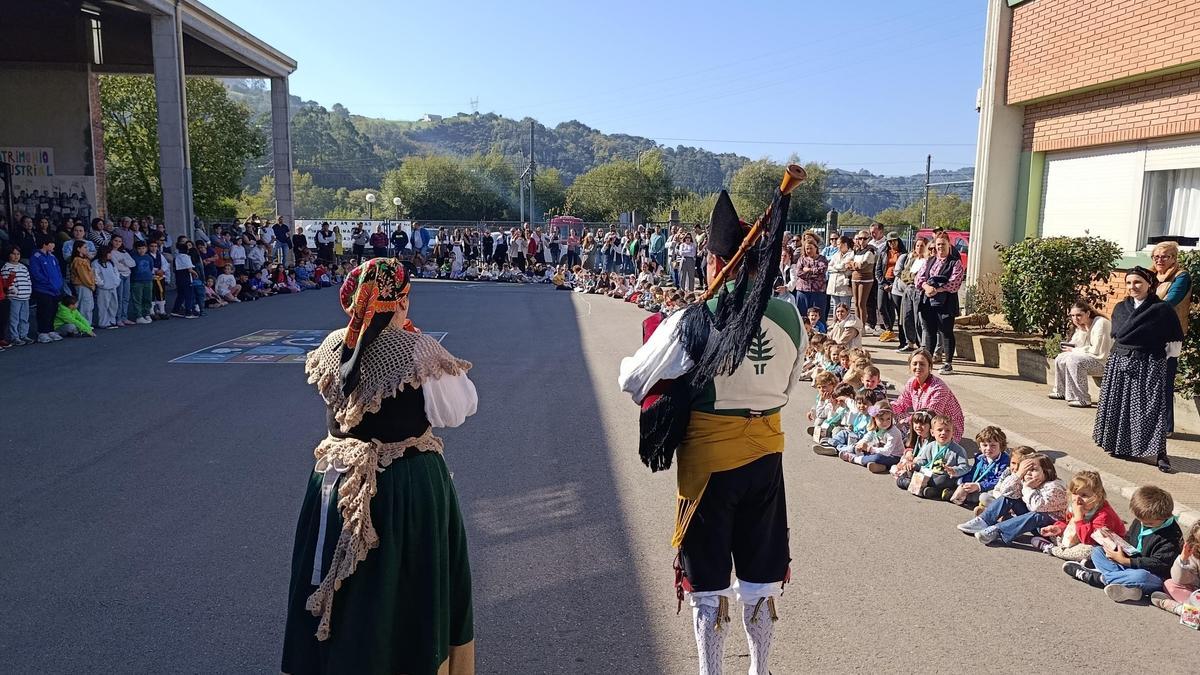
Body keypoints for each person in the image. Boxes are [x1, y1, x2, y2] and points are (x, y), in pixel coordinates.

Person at [618, 189, 806, 675]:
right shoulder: (790, 315)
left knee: (708, 585)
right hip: (767, 458)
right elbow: (787, 386)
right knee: (760, 578)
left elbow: (634, 381)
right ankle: (759, 670)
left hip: (708, 467)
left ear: (716, 261)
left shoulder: (692, 319)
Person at [281, 258, 478, 674]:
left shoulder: (335, 344)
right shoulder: (418, 349)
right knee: (400, 586)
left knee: (342, 583)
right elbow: (458, 409)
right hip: (403, 484)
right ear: (400, 300)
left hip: (336, 480)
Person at [1093, 267, 1184, 473]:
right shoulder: (1120, 308)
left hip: (1149, 362)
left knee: (1152, 409)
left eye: (1137, 283)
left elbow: (1173, 345)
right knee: (1119, 405)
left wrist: (1156, 360)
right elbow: (1116, 336)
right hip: (1120, 360)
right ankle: (1119, 445)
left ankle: (1160, 453)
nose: (1132, 287)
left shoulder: (1162, 310)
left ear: (1149, 284)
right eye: (1129, 283)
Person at [1063, 485, 1181, 604]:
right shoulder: (1141, 521)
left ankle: (1097, 577)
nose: (1143, 524)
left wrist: (1125, 561)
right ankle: (1130, 589)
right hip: (1128, 565)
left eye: (1149, 523)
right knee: (1097, 551)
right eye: (1141, 520)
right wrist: (1113, 540)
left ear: (1165, 516)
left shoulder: (1172, 536)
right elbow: (1129, 540)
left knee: (1141, 577)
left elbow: (1159, 564)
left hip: (1152, 575)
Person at [959, 453, 1067, 545]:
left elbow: (1037, 506)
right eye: (1026, 470)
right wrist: (1018, 475)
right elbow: (1005, 492)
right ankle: (983, 521)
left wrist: (1027, 488)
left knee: (1038, 515)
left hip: (1048, 529)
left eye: (1034, 470)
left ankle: (998, 531)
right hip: (1030, 520)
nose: (1028, 473)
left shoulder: (1055, 487)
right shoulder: (1028, 480)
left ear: (1046, 471)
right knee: (1010, 497)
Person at [1039, 470, 1125, 562]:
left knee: (1088, 551)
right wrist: (1058, 528)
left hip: (1102, 545)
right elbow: (1069, 524)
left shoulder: (1103, 515)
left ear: (1097, 497)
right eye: (1075, 493)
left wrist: (1079, 518)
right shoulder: (1076, 506)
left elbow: (1088, 540)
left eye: (1084, 495)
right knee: (1052, 533)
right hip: (1079, 537)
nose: (1077, 499)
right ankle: (1067, 551)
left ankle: (1052, 549)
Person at [1150, 241, 1191, 434]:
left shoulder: (1181, 277)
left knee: (1165, 378)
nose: (1159, 260)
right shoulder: (1150, 275)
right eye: (1156, 256)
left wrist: (1144, 308)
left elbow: (1170, 301)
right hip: (1147, 332)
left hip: (1170, 335)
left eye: (1164, 256)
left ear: (1174, 258)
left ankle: (1166, 427)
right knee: (1148, 377)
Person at [914, 232, 964, 374]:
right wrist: (926, 287)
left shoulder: (955, 262)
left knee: (946, 332)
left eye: (943, 244)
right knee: (929, 332)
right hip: (928, 302)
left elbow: (955, 282)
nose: (940, 247)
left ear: (949, 245)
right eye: (938, 244)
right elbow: (919, 278)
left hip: (946, 302)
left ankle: (948, 362)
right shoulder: (930, 261)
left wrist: (938, 289)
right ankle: (928, 362)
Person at [890, 349, 964, 441]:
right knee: (892, 416)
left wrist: (904, 422)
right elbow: (902, 403)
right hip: (922, 421)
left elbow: (930, 416)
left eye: (922, 364)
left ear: (930, 366)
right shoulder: (911, 382)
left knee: (899, 433)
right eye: (914, 364)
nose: (918, 367)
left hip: (942, 427)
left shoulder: (939, 388)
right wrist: (886, 409)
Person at [1048, 302, 1112, 408]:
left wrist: (1074, 351)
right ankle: (1061, 391)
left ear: (1088, 313)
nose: (1075, 318)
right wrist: (1082, 330)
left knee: (1074, 360)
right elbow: (1075, 346)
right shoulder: (1083, 325)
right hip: (1092, 359)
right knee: (1061, 358)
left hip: (1105, 363)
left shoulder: (1101, 323)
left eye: (1079, 315)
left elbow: (1098, 351)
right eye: (1072, 316)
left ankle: (1082, 398)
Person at [950, 426, 1010, 509]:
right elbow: (973, 473)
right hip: (978, 484)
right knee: (960, 481)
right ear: (979, 447)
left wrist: (979, 486)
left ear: (1001, 446)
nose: (988, 448)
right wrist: (965, 484)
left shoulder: (1005, 461)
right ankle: (962, 496)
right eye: (985, 445)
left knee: (985, 496)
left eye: (993, 445)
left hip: (991, 487)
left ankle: (984, 506)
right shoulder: (980, 457)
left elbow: (998, 480)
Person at [1149, 521, 1200, 617]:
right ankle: (1184, 610)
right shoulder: (1194, 555)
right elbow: (1180, 580)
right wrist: (1183, 559)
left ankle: (1177, 608)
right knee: (1170, 584)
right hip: (1195, 596)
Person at [840, 404, 905, 473]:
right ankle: (881, 467)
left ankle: (854, 458)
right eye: (881, 419)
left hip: (894, 456)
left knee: (877, 457)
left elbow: (887, 451)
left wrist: (869, 448)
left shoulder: (893, 432)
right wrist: (860, 444)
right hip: (880, 451)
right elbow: (868, 436)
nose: (885, 422)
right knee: (861, 449)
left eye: (888, 419)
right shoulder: (876, 428)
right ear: (874, 419)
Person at [895, 236, 928, 353]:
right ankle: (910, 342)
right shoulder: (913, 260)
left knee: (918, 319)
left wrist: (912, 277)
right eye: (917, 246)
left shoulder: (926, 261)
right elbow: (904, 274)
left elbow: (918, 277)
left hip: (918, 291)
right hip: (907, 290)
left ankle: (921, 345)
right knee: (906, 317)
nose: (919, 248)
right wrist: (911, 277)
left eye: (922, 246)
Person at [874, 232, 905, 341]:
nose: (892, 243)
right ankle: (888, 329)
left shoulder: (903, 254)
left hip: (896, 283)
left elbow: (904, 272)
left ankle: (895, 332)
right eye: (890, 241)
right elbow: (877, 270)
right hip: (883, 281)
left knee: (893, 307)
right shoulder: (883, 253)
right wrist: (883, 283)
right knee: (881, 306)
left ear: (898, 241)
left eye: (894, 241)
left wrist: (893, 285)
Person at [846, 232, 876, 330]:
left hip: (866, 279)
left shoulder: (870, 251)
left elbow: (863, 265)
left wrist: (852, 264)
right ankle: (857, 324)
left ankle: (862, 325)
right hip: (855, 278)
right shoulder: (856, 251)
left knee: (861, 303)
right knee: (856, 303)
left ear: (868, 239)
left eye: (864, 238)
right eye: (860, 238)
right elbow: (846, 263)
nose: (862, 240)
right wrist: (854, 265)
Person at [3, 246, 32, 344]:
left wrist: (29, 291)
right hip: (14, 298)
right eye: (13, 254)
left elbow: (28, 281)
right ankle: (14, 337)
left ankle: (24, 335)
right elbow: (6, 283)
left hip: (25, 296)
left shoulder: (23, 267)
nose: (16, 256)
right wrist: (12, 291)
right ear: (9, 255)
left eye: (18, 254)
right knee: (14, 318)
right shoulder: (6, 267)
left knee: (24, 318)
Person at [92, 246, 120, 329]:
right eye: (109, 253)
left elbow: (116, 273)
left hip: (113, 286)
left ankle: (112, 320)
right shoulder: (96, 263)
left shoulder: (110, 263)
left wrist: (116, 282)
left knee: (113, 304)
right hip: (103, 288)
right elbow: (95, 275)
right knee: (103, 305)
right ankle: (104, 322)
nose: (110, 255)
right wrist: (102, 284)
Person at [68, 243, 96, 326]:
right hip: (83, 285)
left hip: (86, 285)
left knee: (89, 305)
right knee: (85, 306)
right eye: (84, 247)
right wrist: (91, 284)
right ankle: (84, 325)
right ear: (78, 249)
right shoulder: (78, 260)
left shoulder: (84, 260)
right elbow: (83, 275)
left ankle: (87, 324)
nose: (86, 249)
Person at [110, 236, 136, 326]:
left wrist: (124, 261)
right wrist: (125, 265)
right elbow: (116, 265)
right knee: (119, 297)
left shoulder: (124, 252)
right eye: (115, 241)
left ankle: (125, 317)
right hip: (119, 275)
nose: (117, 243)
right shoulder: (111, 252)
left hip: (127, 275)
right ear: (112, 241)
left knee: (126, 297)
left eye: (120, 241)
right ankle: (118, 318)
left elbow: (133, 263)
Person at [129, 241, 154, 324]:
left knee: (148, 297)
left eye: (143, 248)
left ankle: (146, 313)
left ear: (146, 249)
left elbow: (151, 267)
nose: (141, 250)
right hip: (136, 281)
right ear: (136, 249)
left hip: (148, 280)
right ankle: (139, 316)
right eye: (139, 249)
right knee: (137, 299)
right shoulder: (133, 257)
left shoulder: (149, 258)